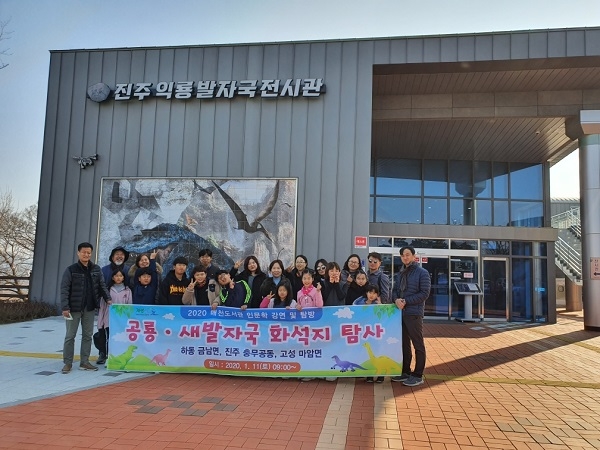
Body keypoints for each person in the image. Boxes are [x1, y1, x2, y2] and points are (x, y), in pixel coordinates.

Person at [60, 242, 111, 374]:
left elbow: (102, 285)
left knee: (87, 335)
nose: (86, 255)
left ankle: (84, 362)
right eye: (84, 252)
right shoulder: (71, 270)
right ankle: (67, 363)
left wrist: (108, 299)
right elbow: (64, 289)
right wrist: (65, 307)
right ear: (78, 253)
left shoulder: (96, 269)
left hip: (89, 307)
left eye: (89, 253)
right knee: (70, 336)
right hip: (74, 308)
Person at [391, 246, 431, 387]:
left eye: (408, 255)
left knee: (418, 344)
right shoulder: (400, 274)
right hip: (401, 313)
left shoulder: (422, 272)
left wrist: (406, 301)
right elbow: (394, 291)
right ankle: (406, 371)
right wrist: (396, 300)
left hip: (414, 313)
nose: (405, 257)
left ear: (414, 256)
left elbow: (424, 293)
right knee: (404, 344)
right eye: (402, 255)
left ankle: (418, 374)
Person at [96, 268, 132, 365]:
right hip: (109, 318)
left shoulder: (127, 291)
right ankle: (106, 355)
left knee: (119, 338)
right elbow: (103, 307)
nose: (118, 278)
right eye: (116, 276)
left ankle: (117, 355)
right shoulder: (107, 290)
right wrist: (101, 321)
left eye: (120, 276)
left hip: (121, 320)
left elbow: (129, 306)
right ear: (112, 277)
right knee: (109, 337)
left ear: (124, 277)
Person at [353, 284, 383, 383]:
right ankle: (369, 374)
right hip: (363, 333)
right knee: (366, 354)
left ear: (377, 295)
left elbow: (383, 316)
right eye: (370, 292)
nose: (372, 295)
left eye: (374, 293)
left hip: (375, 333)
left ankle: (381, 375)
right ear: (366, 293)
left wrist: (380, 305)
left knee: (377, 353)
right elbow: (353, 308)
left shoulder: (378, 304)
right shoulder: (359, 301)